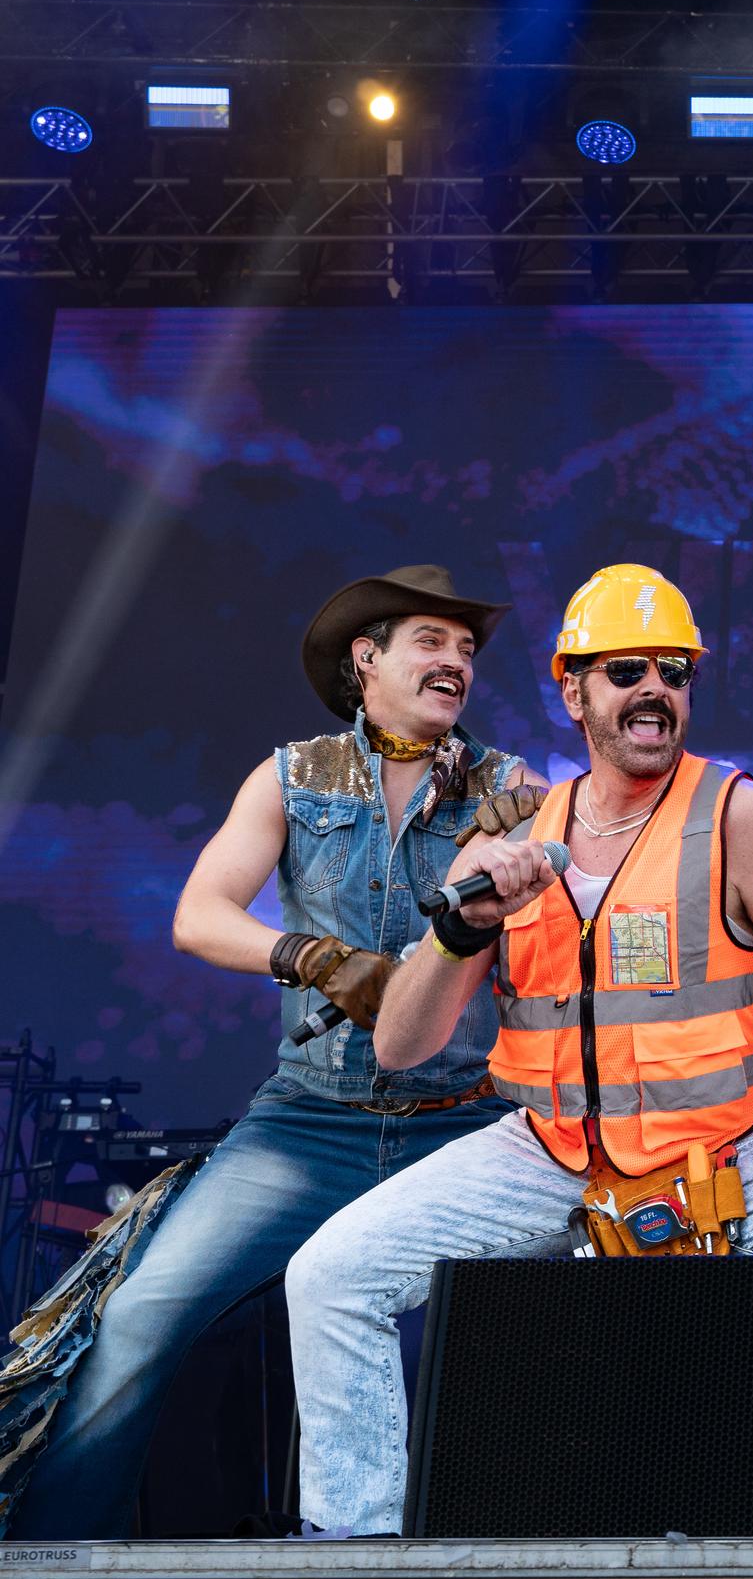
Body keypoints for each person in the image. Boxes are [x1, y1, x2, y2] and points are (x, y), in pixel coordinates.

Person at [284, 564, 753, 1536]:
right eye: (626, 670)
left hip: (733, 1145)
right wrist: (460, 928)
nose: (654, 687)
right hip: (551, 1151)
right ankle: (358, 1544)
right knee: (329, 1275)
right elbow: (404, 1044)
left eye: (674, 669)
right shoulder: (509, 836)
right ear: (571, 688)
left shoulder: (740, 816)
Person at [7, 565, 532, 1539]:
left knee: (563, 1316)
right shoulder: (292, 775)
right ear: (366, 658)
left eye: (467, 647)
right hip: (309, 1121)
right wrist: (310, 953)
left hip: (467, 1120)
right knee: (138, 1316)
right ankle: (46, 1557)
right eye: (433, 639)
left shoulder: (510, 788)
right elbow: (198, 915)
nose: (456, 658)